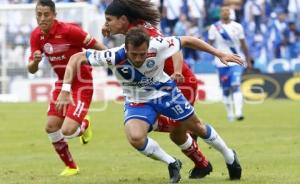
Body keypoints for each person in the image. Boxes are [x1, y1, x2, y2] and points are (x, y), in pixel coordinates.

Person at [56, 28, 243, 182]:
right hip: (138, 100)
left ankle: (229, 157)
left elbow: (187, 40)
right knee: (135, 137)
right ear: (126, 49)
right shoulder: (113, 56)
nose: (138, 59)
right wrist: (65, 90)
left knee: (198, 128)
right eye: (133, 54)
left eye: (142, 54)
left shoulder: (159, 45)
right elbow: (76, 58)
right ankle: (172, 163)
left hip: (166, 94)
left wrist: (218, 53)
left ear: (149, 47)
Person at [101, 0, 211, 179]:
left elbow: (175, 47)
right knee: (175, 131)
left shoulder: (142, 32)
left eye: (109, 20)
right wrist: (110, 30)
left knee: (177, 133)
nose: (106, 24)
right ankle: (201, 160)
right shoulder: (135, 29)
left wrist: (176, 71)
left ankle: (202, 158)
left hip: (181, 82)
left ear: (123, 19)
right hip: (160, 86)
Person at [27, 0, 106, 176]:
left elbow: (98, 46)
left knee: (68, 131)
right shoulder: (36, 35)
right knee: (51, 127)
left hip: (81, 84)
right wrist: (35, 62)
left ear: (55, 15)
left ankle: (84, 124)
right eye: (38, 15)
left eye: (46, 14)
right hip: (62, 83)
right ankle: (71, 166)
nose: (42, 18)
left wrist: (115, 61)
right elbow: (31, 69)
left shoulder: (70, 31)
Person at [208, 6, 252, 122]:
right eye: (223, 11)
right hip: (221, 62)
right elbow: (209, 45)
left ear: (230, 13)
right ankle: (230, 113)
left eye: (227, 11)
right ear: (220, 13)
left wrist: (248, 59)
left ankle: (238, 112)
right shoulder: (214, 27)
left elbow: (243, 44)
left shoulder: (238, 27)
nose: (225, 13)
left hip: (236, 60)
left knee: (236, 85)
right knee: (226, 90)